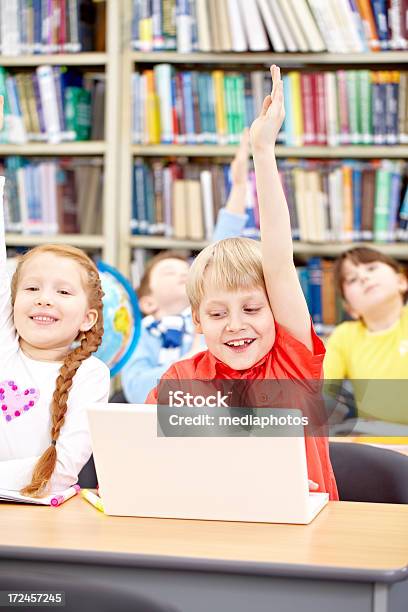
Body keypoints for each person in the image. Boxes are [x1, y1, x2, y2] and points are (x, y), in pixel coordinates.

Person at [146, 66, 338, 500]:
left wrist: (262, 150)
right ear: (197, 320)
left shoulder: (291, 362)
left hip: (308, 537)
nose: (236, 324)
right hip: (216, 528)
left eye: (252, 309)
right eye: (217, 313)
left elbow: (278, 259)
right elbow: (153, 466)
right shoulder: (179, 381)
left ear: (276, 310)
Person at [0, 100, 110, 497]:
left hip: (40, 517)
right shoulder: (6, 346)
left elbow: (60, 473)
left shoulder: (91, 375)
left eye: (63, 292)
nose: (43, 299)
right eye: (31, 288)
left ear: (88, 318)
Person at [121, 130, 250, 403]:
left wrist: (239, 187)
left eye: (186, 271)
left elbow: (220, 251)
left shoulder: (213, 316)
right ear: (148, 303)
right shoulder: (140, 336)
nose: (182, 274)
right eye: (169, 272)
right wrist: (193, 355)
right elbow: (137, 389)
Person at [324, 246, 408, 424]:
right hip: (376, 440)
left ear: (402, 281)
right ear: (350, 309)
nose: (363, 277)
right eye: (352, 279)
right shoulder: (344, 336)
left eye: (371, 268)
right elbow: (322, 391)